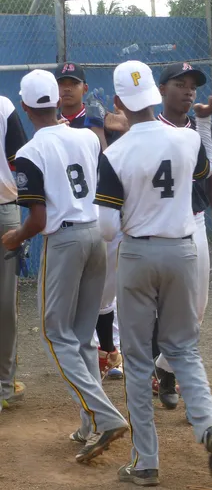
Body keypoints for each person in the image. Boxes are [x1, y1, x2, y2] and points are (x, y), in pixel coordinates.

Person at [95, 60, 212, 485]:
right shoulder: (188, 140)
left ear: (119, 102)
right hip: (183, 249)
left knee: (137, 361)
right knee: (184, 349)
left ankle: (147, 462)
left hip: (138, 253)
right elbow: (206, 181)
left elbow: (105, 229)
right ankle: (209, 426)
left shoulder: (114, 153)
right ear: (156, 95)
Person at [2, 69, 129, 462]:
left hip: (65, 241)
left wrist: (13, 238)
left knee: (55, 334)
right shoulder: (88, 136)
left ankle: (106, 416)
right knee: (82, 334)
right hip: (95, 236)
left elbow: (38, 221)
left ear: (24, 107)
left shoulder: (30, 152)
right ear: (58, 100)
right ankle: (90, 424)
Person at [152, 62, 212, 411]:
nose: (187, 91)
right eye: (179, 84)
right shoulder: (149, 128)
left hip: (195, 222)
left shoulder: (202, 128)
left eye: (192, 86)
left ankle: (164, 368)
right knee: (160, 308)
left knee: (195, 310)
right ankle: (185, 386)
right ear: (161, 90)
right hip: (155, 227)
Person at [55, 61, 125, 381]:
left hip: (102, 211)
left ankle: (112, 351)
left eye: (73, 82)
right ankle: (93, 350)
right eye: (61, 83)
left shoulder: (97, 119)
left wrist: (104, 124)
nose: (66, 88)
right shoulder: (49, 123)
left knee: (109, 287)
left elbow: (108, 156)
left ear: (84, 87)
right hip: (68, 217)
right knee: (78, 291)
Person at [0, 94, 27, 413]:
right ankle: (4, 384)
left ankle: (5, 384)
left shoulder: (4, 106)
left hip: (5, 209)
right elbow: (19, 160)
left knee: (5, 303)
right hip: (6, 209)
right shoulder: (4, 105)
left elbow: (18, 159)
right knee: (5, 303)